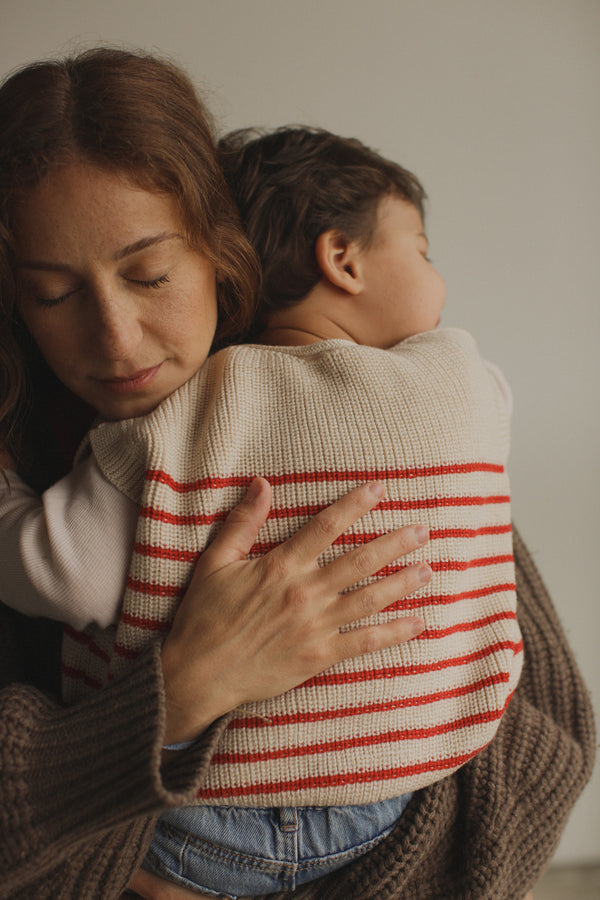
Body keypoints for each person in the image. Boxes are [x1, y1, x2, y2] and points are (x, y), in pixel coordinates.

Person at [0, 48, 593, 900]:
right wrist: (184, 687)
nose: (119, 341)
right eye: (53, 293)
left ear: (219, 247)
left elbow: (549, 739)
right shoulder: (437, 399)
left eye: (151, 275)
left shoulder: (215, 427)